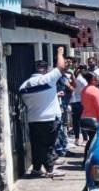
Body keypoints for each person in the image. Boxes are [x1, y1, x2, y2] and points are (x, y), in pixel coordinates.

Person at [18, 46, 68, 178]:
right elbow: (62, 66)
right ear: (45, 70)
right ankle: (50, 170)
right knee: (49, 145)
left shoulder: (23, 85)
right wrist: (59, 53)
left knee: (36, 145)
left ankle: (36, 169)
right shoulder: (48, 79)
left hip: (33, 119)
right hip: (49, 119)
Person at [80, 72, 99, 161]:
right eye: (96, 78)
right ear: (92, 80)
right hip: (94, 119)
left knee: (91, 140)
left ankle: (86, 159)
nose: (98, 80)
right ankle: (88, 160)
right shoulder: (95, 90)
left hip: (85, 117)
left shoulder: (84, 89)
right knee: (94, 141)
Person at [54, 67, 74, 157]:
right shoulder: (59, 79)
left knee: (63, 127)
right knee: (61, 127)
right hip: (59, 106)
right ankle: (62, 149)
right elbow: (70, 88)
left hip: (64, 105)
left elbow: (72, 87)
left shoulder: (65, 77)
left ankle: (63, 148)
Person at [70, 64, 88, 146]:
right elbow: (87, 89)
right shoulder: (82, 79)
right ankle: (84, 138)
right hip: (80, 101)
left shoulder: (76, 78)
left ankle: (77, 139)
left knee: (76, 121)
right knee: (82, 121)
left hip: (75, 101)